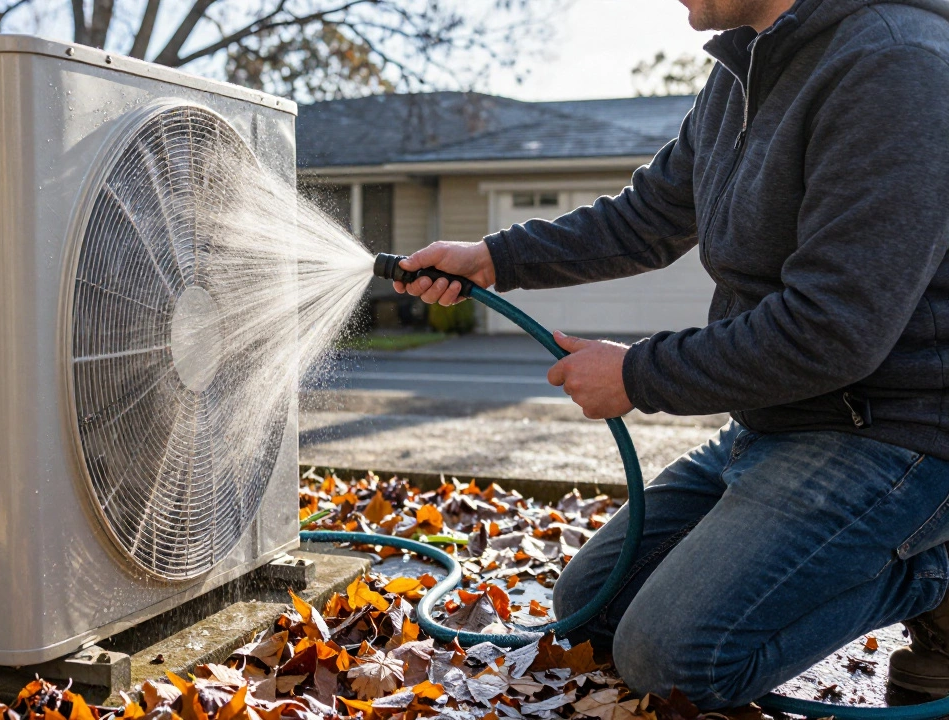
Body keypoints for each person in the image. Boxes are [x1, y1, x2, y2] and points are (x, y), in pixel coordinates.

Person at [393, 0, 949, 706]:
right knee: (593, 608)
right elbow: (647, 217)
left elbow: (833, 328)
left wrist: (635, 374)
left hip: (895, 439)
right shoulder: (745, 68)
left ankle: (933, 575)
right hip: (774, 423)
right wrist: (494, 258)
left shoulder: (896, 64)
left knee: (675, 660)